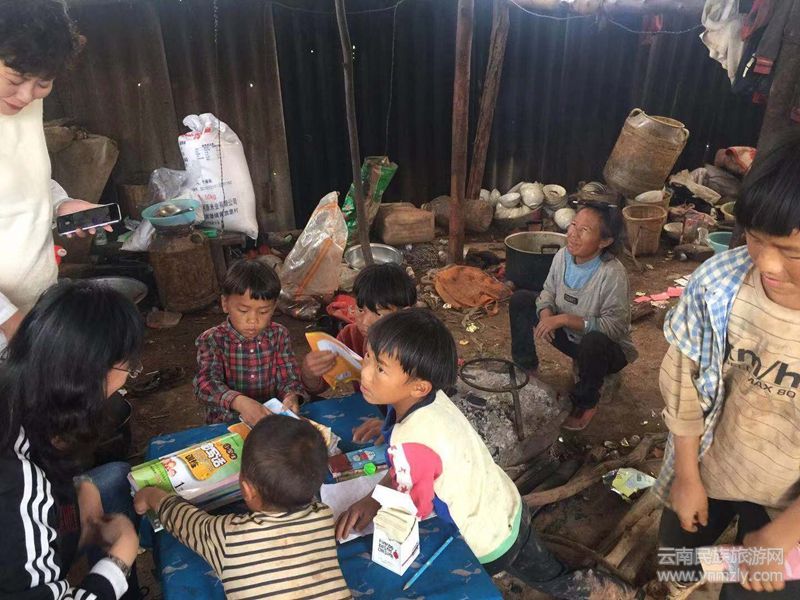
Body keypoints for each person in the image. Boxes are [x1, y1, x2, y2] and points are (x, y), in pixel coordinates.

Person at [335, 309, 641, 599]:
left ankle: (614, 592)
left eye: (380, 369)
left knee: (548, 578)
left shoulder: (411, 440)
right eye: (368, 357)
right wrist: (373, 494)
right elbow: (416, 462)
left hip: (488, 540)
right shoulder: (433, 398)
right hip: (504, 502)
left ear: (418, 387)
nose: (365, 373)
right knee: (541, 564)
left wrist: (376, 504)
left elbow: (410, 509)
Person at [655, 133, 800, 598]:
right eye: (756, 239)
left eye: (792, 252)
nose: (768, 265)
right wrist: (687, 476)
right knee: (677, 560)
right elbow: (684, 382)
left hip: (786, 502)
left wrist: (786, 532)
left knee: (750, 585)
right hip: (711, 469)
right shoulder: (719, 284)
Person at [0, 281, 144, 599]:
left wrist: (80, 483)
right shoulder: (18, 479)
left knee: (116, 478)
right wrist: (119, 557)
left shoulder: (18, 391)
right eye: (128, 367)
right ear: (95, 375)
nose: (124, 380)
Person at [133, 415, 351, 600]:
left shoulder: (228, 536)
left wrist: (151, 496)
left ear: (247, 490)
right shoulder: (323, 515)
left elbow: (182, 519)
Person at [0, 0, 110, 352]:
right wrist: (8, 320)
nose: (26, 96)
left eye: (43, 83)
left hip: (33, 310)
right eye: (15, 80)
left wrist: (62, 203)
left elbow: (27, 180)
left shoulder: (23, 105)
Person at [508, 202, 637, 431]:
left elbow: (614, 327)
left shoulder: (612, 273)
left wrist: (564, 319)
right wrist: (546, 313)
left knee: (593, 341)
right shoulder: (562, 256)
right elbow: (548, 291)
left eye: (584, 230)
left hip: (606, 351)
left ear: (604, 241)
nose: (573, 234)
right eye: (573, 225)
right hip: (568, 338)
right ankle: (526, 366)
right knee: (521, 300)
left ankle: (585, 404)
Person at [300, 262, 417, 443]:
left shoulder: (418, 348)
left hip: (409, 427)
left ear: (405, 313)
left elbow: (428, 406)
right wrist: (309, 372)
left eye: (379, 314)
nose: (365, 322)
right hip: (368, 414)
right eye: (360, 310)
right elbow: (320, 385)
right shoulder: (351, 336)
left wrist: (394, 426)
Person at [194, 259, 306, 425]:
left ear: (274, 307)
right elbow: (205, 384)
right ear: (225, 304)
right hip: (226, 422)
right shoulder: (212, 340)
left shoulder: (279, 335)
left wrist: (291, 396)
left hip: (270, 421)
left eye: (263, 311)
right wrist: (239, 402)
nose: (253, 320)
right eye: (243, 310)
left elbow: (288, 377)